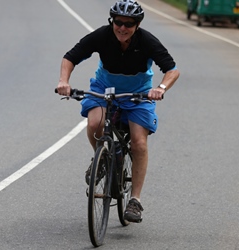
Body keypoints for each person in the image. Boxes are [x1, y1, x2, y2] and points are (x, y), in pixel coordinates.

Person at [56, 0, 180, 223]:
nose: (122, 27)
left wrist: (160, 88)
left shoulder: (147, 41)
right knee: (95, 124)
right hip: (104, 89)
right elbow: (70, 57)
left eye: (129, 24)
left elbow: (172, 70)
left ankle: (135, 200)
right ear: (112, 21)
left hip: (139, 94)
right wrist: (64, 81)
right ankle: (102, 160)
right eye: (118, 22)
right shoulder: (102, 36)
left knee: (138, 142)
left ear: (137, 25)